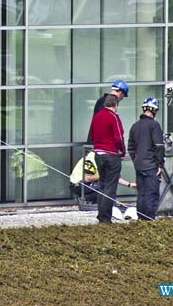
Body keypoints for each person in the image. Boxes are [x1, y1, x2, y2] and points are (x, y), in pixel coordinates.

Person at [89, 94, 126, 223]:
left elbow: (92, 135)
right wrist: (123, 151)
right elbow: (119, 138)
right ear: (115, 105)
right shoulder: (114, 117)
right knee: (110, 186)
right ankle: (105, 217)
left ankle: (101, 215)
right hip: (111, 155)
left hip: (98, 154)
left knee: (102, 185)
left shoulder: (96, 117)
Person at [128, 97, 164, 221]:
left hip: (139, 165)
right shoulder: (154, 125)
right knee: (151, 193)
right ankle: (149, 219)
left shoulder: (135, 126)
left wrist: (136, 160)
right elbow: (159, 146)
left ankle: (141, 218)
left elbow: (130, 147)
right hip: (151, 166)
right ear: (155, 111)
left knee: (141, 193)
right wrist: (160, 164)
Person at [69, 151, 134, 204]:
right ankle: (86, 199)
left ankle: (91, 200)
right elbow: (87, 178)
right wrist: (104, 173)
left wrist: (129, 185)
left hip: (86, 184)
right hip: (78, 185)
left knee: (108, 186)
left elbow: (114, 177)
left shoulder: (101, 158)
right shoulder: (90, 159)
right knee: (105, 188)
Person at [87, 79, 129, 144]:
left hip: (97, 143)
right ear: (120, 92)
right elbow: (101, 124)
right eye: (123, 96)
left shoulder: (102, 100)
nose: (122, 98)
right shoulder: (105, 102)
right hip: (99, 145)